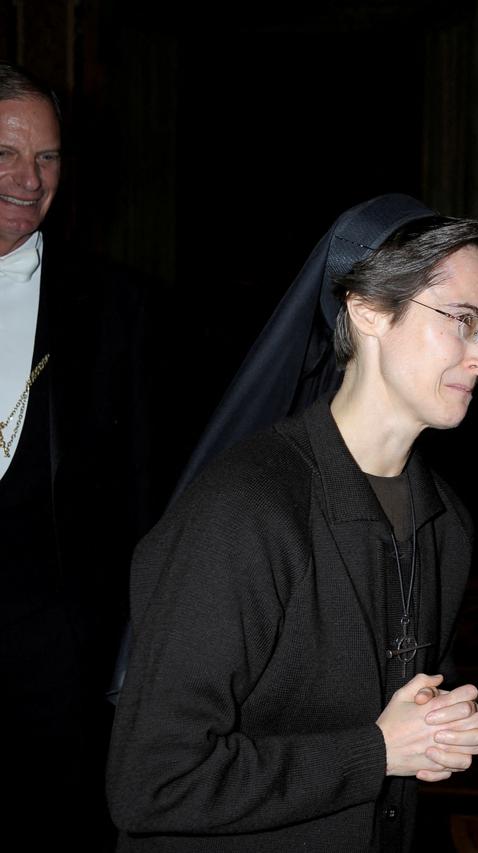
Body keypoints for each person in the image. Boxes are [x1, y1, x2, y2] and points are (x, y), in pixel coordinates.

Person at [107, 197, 478, 851]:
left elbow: (401, 722)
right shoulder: (244, 511)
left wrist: (437, 730)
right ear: (368, 310)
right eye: (463, 321)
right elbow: (154, 781)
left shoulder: (446, 522)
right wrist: (378, 750)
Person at [1, 62, 150, 844]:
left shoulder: (115, 305)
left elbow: (145, 490)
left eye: (48, 156)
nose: (30, 179)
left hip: (58, 661)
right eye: (5, 154)